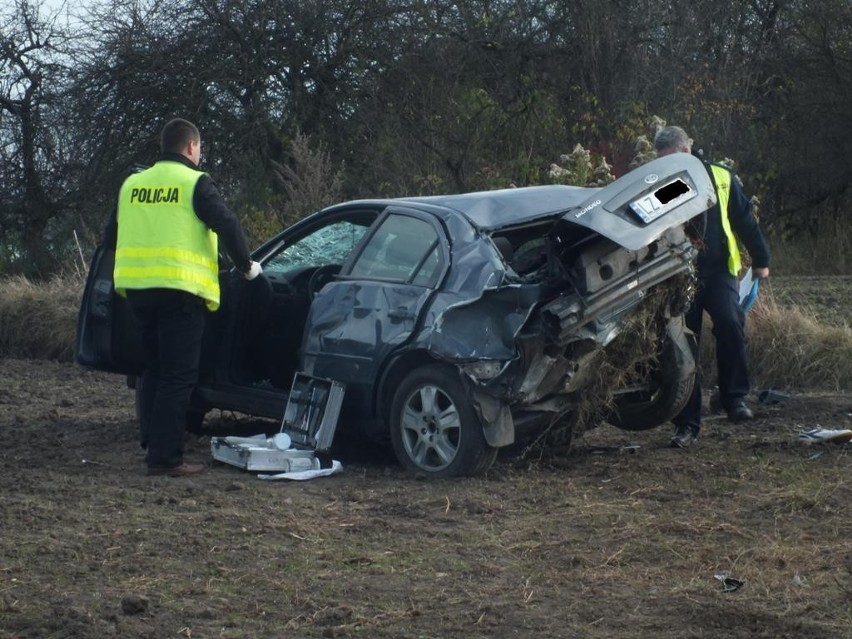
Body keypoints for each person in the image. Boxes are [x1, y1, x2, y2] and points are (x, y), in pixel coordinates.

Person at [106, 118, 262, 476]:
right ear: (191, 147)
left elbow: (109, 239)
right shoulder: (194, 182)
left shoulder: (132, 184)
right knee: (179, 376)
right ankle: (165, 458)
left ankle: (152, 442)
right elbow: (228, 225)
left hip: (138, 292)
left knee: (154, 370)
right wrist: (246, 267)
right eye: (200, 148)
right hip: (181, 293)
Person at [654, 126, 770, 448]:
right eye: (660, 162)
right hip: (679, 277)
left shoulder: (720, 177)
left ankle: (734, 398)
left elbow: (745, 220)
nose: (665, 167)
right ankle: (686, 423)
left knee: (731, 323)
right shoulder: (663, 186)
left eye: (670, 160)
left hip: (719, 272)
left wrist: (761, 260)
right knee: (683, 345)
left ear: (686, 152)